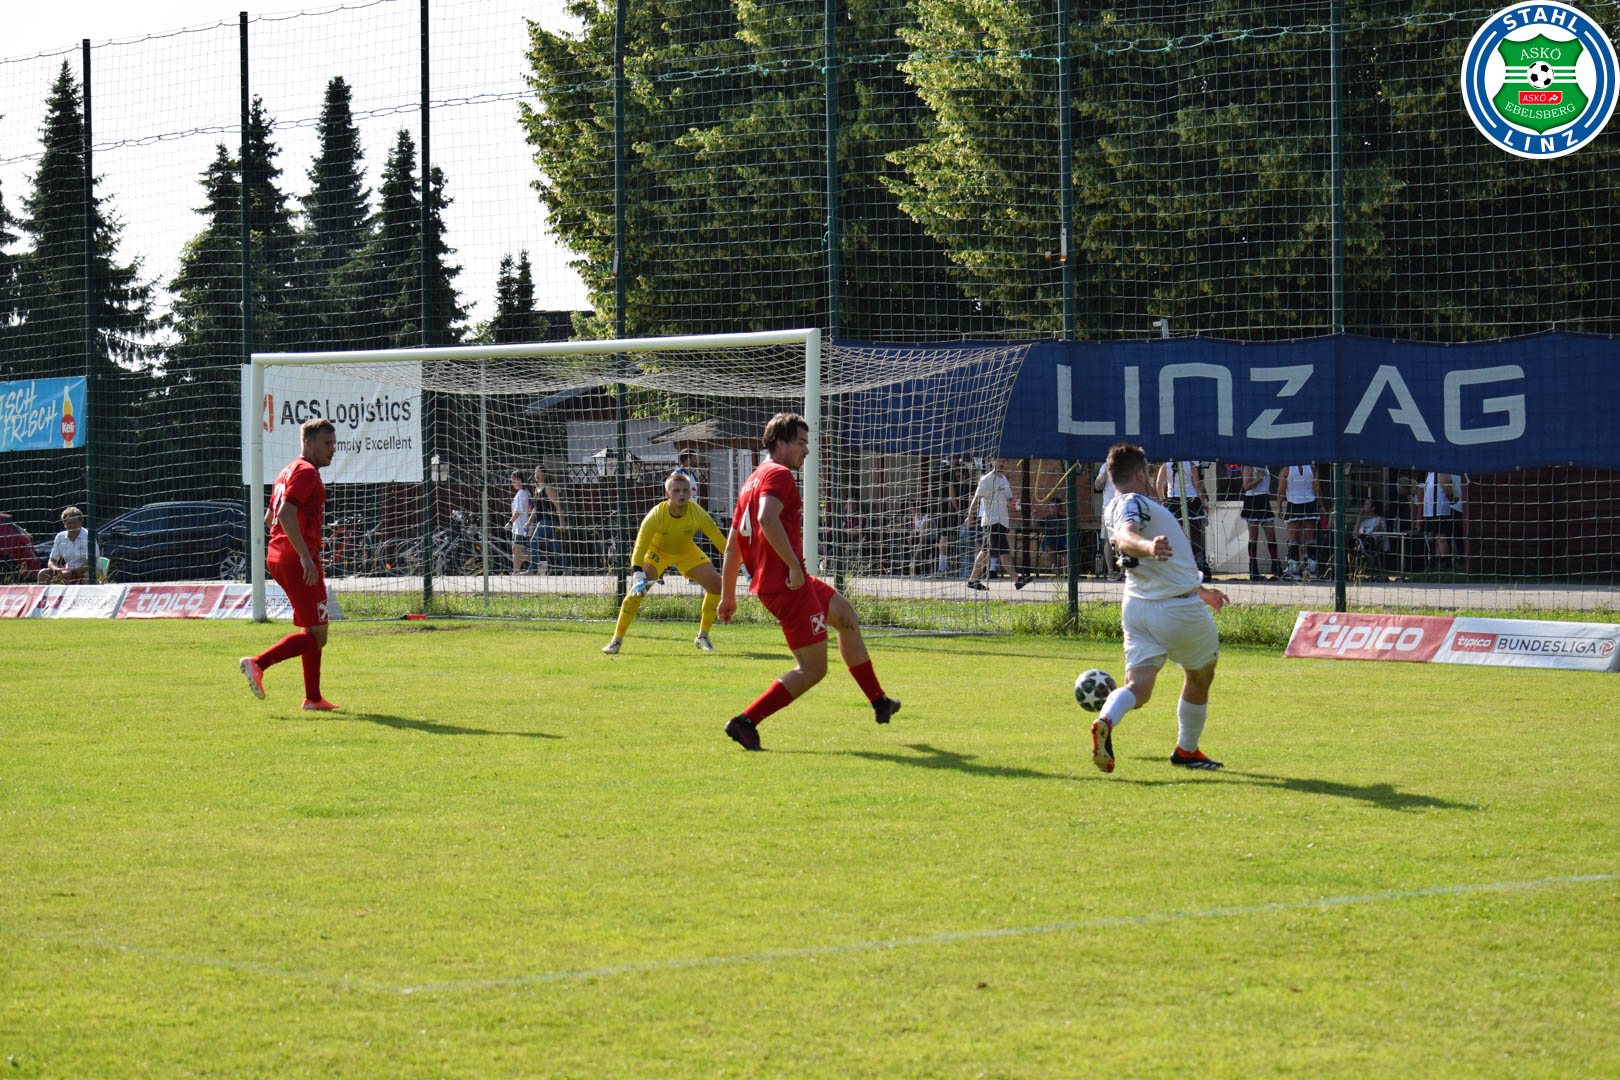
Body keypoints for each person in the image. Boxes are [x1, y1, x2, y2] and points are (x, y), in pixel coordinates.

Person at [717, 413, 901, 751]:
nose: (807, 450)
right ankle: (745, 722)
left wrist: (728, 596)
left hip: (786, 580)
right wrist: (794, 567)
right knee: (812, 669)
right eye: (801, 443)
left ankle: (879, 701)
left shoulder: (751, 481)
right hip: (788, 584)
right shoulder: (779, 474)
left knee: (845, 616)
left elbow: (732, 546)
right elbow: (766, 519)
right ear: (780, 443)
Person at [1091, 442, 1230, 774]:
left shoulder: (1113, 505)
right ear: (1141, 474)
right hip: (1174, 611)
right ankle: (1187, 750)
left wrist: (1200, 590)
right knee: (1201, 674)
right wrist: (1149, 546)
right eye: (1149, 471)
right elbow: (1127, 537)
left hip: (1138, 607)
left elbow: (1154, 561)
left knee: (1138, 689)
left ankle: (1105, 719)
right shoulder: (1134, 502)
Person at [239, 417, 339, 710]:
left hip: (279, 555)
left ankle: (313, 698)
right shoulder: (307, 472)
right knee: (319, 636)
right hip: (297, 558)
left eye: (333, 444)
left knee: (312, 627)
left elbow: (270, 517)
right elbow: (284, 514)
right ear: (308, 443)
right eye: (327, 443)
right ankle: (258, 663)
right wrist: (305, 555)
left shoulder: (288, 470)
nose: (332, 449)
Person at [603, 471, 728, 654]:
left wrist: (741, 563)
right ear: (667, 494)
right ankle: (616, 641)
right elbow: (640, 546)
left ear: (691, 493)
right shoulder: (656, 515)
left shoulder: (698, 513)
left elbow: (720, 541)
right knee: (637, 593)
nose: (681, 494)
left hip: (686, 551)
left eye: (685, 490)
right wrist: (637, 573)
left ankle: (702, 637)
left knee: (717, 586)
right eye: (676, 490)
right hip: (657, 553)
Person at [964, 458, 1029, 590]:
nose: (1002, 463)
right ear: (992, 462)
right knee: (1004, 551)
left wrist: (1014, 502)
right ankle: (1017, 580)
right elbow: (976, 498)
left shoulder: (1004, 480)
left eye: (1004, 461)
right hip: (991, 521)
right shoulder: (986, 479)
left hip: (1002, 521)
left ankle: (972, 580)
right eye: (999, 461)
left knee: (985, 552)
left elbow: (1009, 499)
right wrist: (970, 516)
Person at [1155, 460, 1211, 579]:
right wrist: (1203, 501)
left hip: (1173, 500)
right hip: (1192, 500)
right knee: (1195, 534)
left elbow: (1159, 485)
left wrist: (1163, 499)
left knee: (1176, 534)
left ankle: (1177, 565)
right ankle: (1199, 563)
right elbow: (1197, 484)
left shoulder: (1165, 465)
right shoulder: (1190, 464)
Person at [1280, 464, 1321, 580]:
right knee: (1310, 537)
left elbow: (1281, 490)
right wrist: (1321, 505)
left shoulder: (1286, 468)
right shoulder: (1312, 468)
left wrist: (1279, 505)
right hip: (1310, 503)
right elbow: (1316, 489)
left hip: (1294, 503)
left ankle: (1293, 568)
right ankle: (1311, 568)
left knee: (1293, 537)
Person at [1239, 465, 1278, 580]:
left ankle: (1276, 565)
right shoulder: (1248, 466)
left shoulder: (1265, 466)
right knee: (1253, 536)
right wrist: (1258, 479)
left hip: (1264, 500)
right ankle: (1253, 569)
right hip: (1252, 501)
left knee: (1271, 534)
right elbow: (1246, 486)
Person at [528, 464, 566, 572]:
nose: (537, 474)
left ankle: (533, 568)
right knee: (553, 545)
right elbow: (536, 509)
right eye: (536, 472)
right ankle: (567, 567)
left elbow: (557, 505)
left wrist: (562, 522)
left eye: (539, 472)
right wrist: (529, 522)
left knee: (533, 541)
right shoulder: (536, 490)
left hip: (549, 520)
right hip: (541, 521)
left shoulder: (548, 488)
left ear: (544, 474)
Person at [38, 506, 90, 584]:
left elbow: (90, 562)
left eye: (75, 523)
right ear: (64, 524)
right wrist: (56, 569)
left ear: (81, 522)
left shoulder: (88, 536)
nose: (72, 526)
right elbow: (52, 561)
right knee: (43, 574)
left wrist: (73, 573)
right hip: (67, 571)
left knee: (87, 577)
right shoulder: (60, 537)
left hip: (86, 571)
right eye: (69, 523)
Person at [1423, 471, 1464, 569]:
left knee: (1441, 537)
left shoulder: (1441, 471)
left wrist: (1452, 499)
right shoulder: (1430, 473)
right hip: (1431, 511)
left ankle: (1445, 563)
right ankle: (1438, 562)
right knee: (1436, 538)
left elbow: (1447, 488)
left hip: (1441, 510)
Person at [1092, 462, 1121, 579]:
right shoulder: (1105, 466)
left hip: (1123, 508)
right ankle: (1111, 572)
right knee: (1108, 541)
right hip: (1108, 509)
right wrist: (1106, 472)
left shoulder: (1127, 465)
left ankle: (1123, 571)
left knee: (1123, 539)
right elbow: (1097, 486)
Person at [508, 471, 533, 574]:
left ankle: (539, 563)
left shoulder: (523, 493)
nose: (512, 483)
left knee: (519, 552)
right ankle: (516, 572)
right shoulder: (520, 493)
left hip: (522, 527)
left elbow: (518, 511)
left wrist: (510, 522)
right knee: (515, 549)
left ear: (520, 480)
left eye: (514, 480)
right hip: (517, 527)